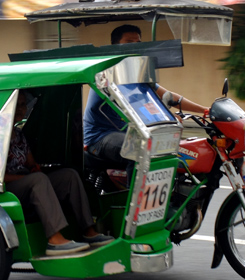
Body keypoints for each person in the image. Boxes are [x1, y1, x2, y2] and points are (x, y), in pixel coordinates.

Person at [84, 24, 209, 181]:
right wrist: (167, 118)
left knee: (175, 150)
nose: (135, 46)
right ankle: (135, 204)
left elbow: (171, 97)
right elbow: (131, 105)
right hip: (100, 137)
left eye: (138, 42)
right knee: (140, 150)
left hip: (128, 133)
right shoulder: (106, 73)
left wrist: (204, 110)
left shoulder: (138, 75)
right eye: (129, 42)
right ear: (115, 46)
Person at [5, 92, 114, 256]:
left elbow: (31, 164)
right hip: (10, 185)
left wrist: (37, 170)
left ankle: (88, 231)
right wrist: (27, 178)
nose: (21, 109)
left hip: (27, 180)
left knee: (69, 176)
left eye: (23, 105)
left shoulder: (19, 135)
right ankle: (55, 240)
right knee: (38, 180)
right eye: (17, 105)